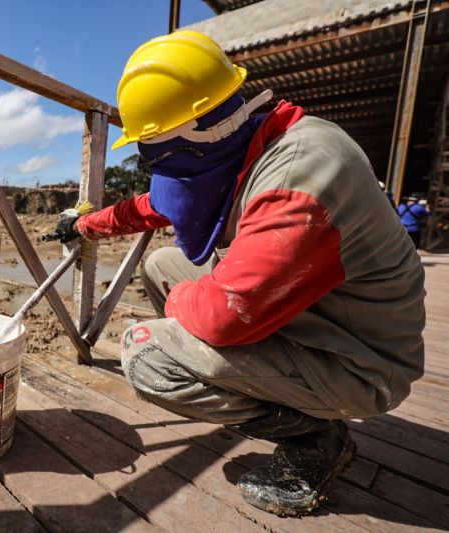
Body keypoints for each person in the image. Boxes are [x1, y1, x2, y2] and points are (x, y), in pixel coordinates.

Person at [53, 31, 425, 516]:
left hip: (358, 360)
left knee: (147, 355)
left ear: (194, 136)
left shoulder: (299, 179)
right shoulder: (246, 144)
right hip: (318, 312)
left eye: (154, 153)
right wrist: (84, 224)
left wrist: (188, 300)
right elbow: (154, 206)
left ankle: (315, 438)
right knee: (162, 265)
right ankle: (271, 384)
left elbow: (222, 318)